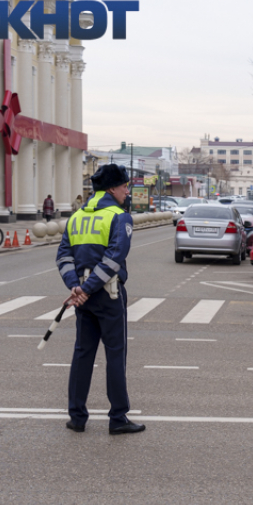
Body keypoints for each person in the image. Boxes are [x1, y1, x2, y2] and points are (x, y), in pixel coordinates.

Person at [56, 164, 145, 436]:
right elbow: (115, 257)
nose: (127, 191)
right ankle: (118, 417)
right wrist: (90, 288)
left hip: (82, 295)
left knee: (83, 353)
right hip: (108, 293)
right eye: (124, 186)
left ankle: (77, 416)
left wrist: (76, 287)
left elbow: (63, 256)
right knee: (115, 355)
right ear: (111, 189)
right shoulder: (120, 217)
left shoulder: (77, 216)